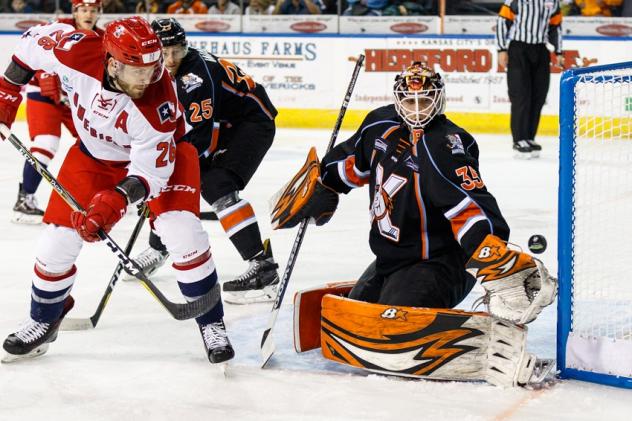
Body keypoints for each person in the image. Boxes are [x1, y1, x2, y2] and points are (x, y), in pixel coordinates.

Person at [273, 63, 557, 386]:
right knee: (357, 314)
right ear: (398, 100)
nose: (418, 109)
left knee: (391, 327)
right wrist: (324, 184)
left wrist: (491, 254)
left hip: (440, 263)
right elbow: (351, 162)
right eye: (411, 101)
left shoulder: (445, 144)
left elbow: (470, 205)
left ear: (439, 100)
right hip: (390, 261)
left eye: (426, 101)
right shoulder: (378, 126)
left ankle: (492, 351)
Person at [0, 17, 233, 365]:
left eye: (153, 69)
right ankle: (43, 319)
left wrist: (115, 201)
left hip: (164, 157)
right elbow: (31, 44)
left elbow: (149, 173)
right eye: (136, 71)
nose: (147, 78)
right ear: (111, 61)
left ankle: (212, 324)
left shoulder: (158, 106)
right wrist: (6, 97)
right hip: (93, 155)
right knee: (56, 241)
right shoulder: (76, 51)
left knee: (181, 231)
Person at [132, 18, 279, 305]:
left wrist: (159, 172)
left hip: (251, 123)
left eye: (177, 50)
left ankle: (262, 267)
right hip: (223, 123)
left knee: (215, 184)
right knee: (171, 176)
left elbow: (200, 137)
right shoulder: (151, 70)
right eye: (164, 52)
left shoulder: (195, 78)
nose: (171, 59)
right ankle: (161, 246)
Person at [12, 0, 103, 224]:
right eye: (83, 9)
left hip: (73, 99)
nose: (88, 14)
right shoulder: (60, 28)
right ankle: (26, 199)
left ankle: (106, 196)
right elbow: (35, 53)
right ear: (75, 11)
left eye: (92, 10)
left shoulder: (103, 39)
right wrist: (46, 76)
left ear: (99, 12)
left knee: (99, 143)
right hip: (42, 96)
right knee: (46, 144)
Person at [496, 0, 564, 158]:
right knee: (520, 95)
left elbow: (556, 26)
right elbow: (502, 22)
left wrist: (559, 51)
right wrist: (501, 49)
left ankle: (529, 137)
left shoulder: (552, 2)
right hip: (519, 48)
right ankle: (519, 139)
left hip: (540, 49)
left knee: (538, 95)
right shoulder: (515, 1)